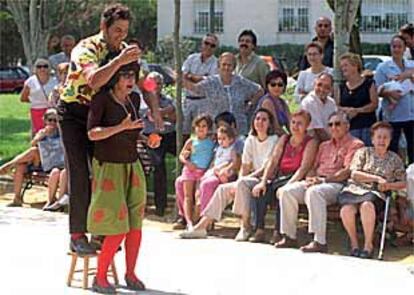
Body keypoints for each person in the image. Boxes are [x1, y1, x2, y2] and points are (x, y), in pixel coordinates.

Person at [58, 3, 163, 255]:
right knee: (80, 172)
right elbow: (94, 80)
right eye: (117, 30)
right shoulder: (86, 48)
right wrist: (118, 61)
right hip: (74, 113)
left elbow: (145, 81)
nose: (121, 36)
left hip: (102, 112)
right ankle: (77, 234)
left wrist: (155, 110)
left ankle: (102, 230)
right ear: (103, 27)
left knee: (105, 171)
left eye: (125, 31)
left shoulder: (126, 50)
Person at [86, 61, 150, 293]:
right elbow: (93, 134)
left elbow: (132, 129)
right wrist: (119, 128)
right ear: (114, 78)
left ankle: (130, 273)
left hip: (132, 165)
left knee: (135, 225)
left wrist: (145, 139)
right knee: (116, 225)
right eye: (124, 76)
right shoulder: (101, 99)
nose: (130, 80)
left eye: (132, 75)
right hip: (109, 167)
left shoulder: (133, 100)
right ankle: (100, 278)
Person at [179, 108, 278, 239]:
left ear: (270, 123)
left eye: (264, 119)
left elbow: (267, 166)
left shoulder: (274, 140)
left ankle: (245, 226)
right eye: (257, 119)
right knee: (222, 189)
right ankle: (201, 227)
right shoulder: (251, 140)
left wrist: (242, 181)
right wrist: (240, 180)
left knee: (241, 183)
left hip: (265, 179)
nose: (260, 122)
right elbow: (245, 165)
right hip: (249, 179)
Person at [275, 111, 364, 253]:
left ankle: (319, 241)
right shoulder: (324, 146)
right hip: (318, 181)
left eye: (337, 124)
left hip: (339, 185)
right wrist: (310, 178)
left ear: (347, 126)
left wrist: (323, 180)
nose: (333, 127)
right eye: (330, 124)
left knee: (314, 192)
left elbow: (347, 171)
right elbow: (313, 167)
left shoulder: (356, 145)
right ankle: (289, 236)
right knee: (287, 191)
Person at [338, 122, 406, 258]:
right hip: (355, 189)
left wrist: (388, 186)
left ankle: (368, 246)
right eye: (379, 137)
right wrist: (376, 178)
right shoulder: (363, 152)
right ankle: (354, 244)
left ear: (390, 140)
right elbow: (354, 173)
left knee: (367, 205)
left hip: (377, 194)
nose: (382, 140)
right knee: (346, 210)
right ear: (373, 139)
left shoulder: (395, 159)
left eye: (385, 137)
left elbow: (403, 183)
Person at [249, 110, 318, 243]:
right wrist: (263, 181)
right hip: (280, 176)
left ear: (307, 126)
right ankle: (259, 230)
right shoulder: (284, 139)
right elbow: (273, 161)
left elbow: (303, 168)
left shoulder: (311, 142)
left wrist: (289, 184)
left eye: (299, 123)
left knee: (284, 193)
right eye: (293, 122)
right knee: (260, 191)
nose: (295, 126)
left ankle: (278, 232)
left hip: (297, 177)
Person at [184, 52, 264, 135]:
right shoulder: (211, 82)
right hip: (217, 131)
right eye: (224, 64)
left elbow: (259, 90)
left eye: (229, 65)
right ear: (219, 66)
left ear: (234, 67)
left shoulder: (241, 82)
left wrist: (250, 104)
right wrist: (181, 80)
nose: (226, 67)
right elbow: (195, 88)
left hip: (238, 129)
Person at [0, 109, 66, 208]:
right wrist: (41, 136)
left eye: (55, 120)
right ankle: (17, 198)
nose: (52, 123)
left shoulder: (63, 133)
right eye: (50, 120)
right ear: (45, 120)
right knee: (21, 166)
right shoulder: (42, 132)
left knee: (34, 151)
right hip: (40, 163)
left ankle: (9, 165)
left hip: (54, 164)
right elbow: (33, 144)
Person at [374, 35, 414, 164]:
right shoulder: (383, 67)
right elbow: (377, 90)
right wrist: (389, 92)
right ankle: (393, 171)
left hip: (411, 113)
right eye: (393, 46)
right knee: (393, 146)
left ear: (404, 48)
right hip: (393, 116)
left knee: (412, 147)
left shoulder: (411, 65)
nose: (396, 49)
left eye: (399, 46)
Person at [142, 71, 176, 216]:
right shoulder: (143, 101)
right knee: (159, 165)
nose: (156, 86)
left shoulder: (168, 99)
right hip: (151, 136)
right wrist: (164, 112)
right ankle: (160, 207)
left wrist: (163, 112)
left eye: (159, 83)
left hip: (169, 135)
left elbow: (175, 117)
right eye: (152, 83)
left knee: (189, 154)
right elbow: (150, 114)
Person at [175, 114, 215, 229]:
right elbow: (181, 155)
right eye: (198, 126)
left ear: (208, 128)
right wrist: (187, 163)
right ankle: (188, 221)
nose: (201, 129)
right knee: (187, 196)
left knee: (198, 196)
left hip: (203, 172)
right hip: (190, 170)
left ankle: (196, 219)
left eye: (204, 126)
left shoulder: (211, 142)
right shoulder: (191, 141)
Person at [197, 124, 240, 217]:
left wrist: (225, 169)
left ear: (231, 139)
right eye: (219, 139)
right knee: (202, 182)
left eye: (224, 139)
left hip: (224, 172)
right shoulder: (218, 149)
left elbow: (234, 162)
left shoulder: (231, 149)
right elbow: (214, 162)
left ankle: (205, 214)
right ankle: (202, 210)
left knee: (207, 184)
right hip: (215, 171)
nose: (221, 141)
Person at [182, 33, 219, 138]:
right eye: (207, 43)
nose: (208, 47)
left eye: (212, 45)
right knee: (184, 132)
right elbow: (182, 76)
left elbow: (208, 84)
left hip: (204, 101)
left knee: (202, 134)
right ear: (202, 44)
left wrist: (190, 77)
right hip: (188, 100)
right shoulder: (191, 58)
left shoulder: (216, 64)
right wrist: (200, 77)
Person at [338, 53, 378, 146]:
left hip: (367, 126)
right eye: (341, 66)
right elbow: (337, 105)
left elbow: (374, 104)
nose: (343, 68)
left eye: (345, 65)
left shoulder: (369, 83)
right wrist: (347, 110)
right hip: (349, 128)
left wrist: (358, 111)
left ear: (355, 66)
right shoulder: (341, 87)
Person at [21, 58, 58, 134]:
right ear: (35, 68)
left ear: (49, 68)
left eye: (45, 66)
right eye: (39, 66)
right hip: (36, 111)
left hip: (52, 111)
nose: (42, 68)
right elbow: (23, 98)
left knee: (53, 134)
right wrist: (35, 101)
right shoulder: (30, 81)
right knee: (39, 134)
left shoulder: (55, 81)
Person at [301, 72, 337, 142]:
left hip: (328, 140)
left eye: (326, 87)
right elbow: (318, 131)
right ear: (314, 84)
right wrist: (334, 144)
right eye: (319, 85)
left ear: (331, 89)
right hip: (312, 141)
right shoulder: (309, 102)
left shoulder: (331, 102)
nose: (322, 89)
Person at [257, 69, 291, 136]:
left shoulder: (282, 102)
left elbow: (290, 124)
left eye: (280, 84)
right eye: (273, 84)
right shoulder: (267, 102)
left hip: (278, 137)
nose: (276, 87)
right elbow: (276, 128)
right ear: (267, 86)